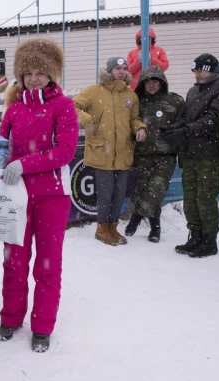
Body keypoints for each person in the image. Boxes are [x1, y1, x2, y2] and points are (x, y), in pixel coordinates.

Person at [0, 38, 78, 353]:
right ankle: (11, 318)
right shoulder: (14, 108)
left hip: (52, 196)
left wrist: (24, 163)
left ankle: (42, 326)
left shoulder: (63, 106)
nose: (33, 78)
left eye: (40, 72)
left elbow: (65, 151)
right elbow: (1, 148)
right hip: (16, 196)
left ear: (51, 74)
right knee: (14, 261)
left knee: (47, 264)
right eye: (27, 72)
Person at [162, 54, 219, 258]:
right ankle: (195, 235)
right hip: (191, 152)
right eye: (194, 71)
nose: (196, 74)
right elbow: (187, 117)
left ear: (211, 70)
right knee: (191, 197)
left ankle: (209, 239)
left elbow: (214, 120)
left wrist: (185, 131)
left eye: (199, 70)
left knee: (205, 197)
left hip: (210, 154)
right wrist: (174, 128)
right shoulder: (194, 89)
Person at [74, 57, 147, 246]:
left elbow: (134, 118)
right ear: (109, 71)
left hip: (123, 152)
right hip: (102, 152)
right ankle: (101, 229)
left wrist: (139, 128)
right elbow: (72, 107)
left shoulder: (130, 95)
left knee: (119, 193)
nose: (121, 71)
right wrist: (86, 121)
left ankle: (112, 228)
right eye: (117, 68)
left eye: (124, 68)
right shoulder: (93, 91)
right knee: (105, 194)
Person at [125, 66, 185, 243]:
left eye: (155, 81)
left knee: (156, 190)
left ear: (162, 82)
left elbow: (184, 121)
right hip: (141, 155)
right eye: (148, 82)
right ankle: (155, 227)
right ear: (143, 83)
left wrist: (175, 129)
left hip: (165, 156)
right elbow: (127, 121)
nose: (152, 85)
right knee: (142, 192)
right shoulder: (137, 101)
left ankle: (136, 217)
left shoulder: (175, 101)